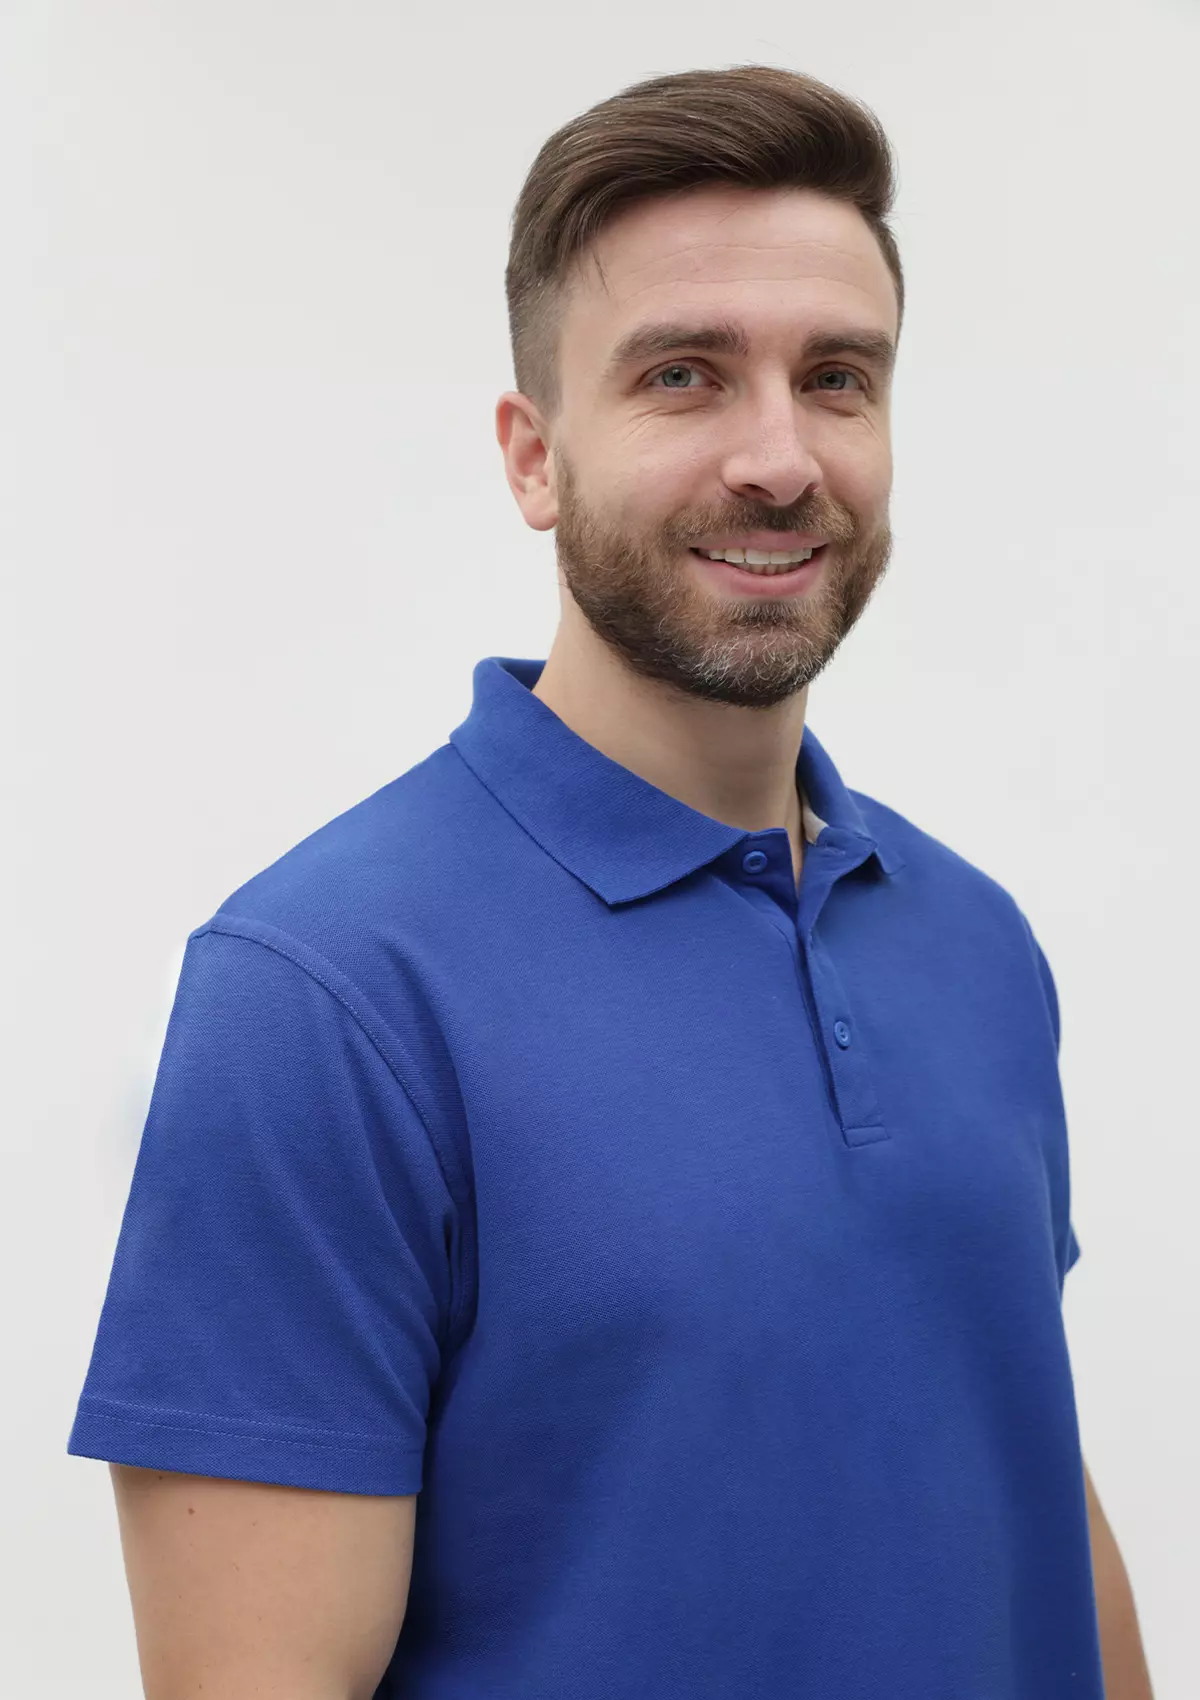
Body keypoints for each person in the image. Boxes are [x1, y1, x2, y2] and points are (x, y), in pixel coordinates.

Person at [67, 63, 1153, 1700]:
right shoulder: (321, 996)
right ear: (534, 458)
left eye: (837, 378)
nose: (780, 458)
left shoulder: (975, 941)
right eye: (684, 376)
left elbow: (1030, 1485)